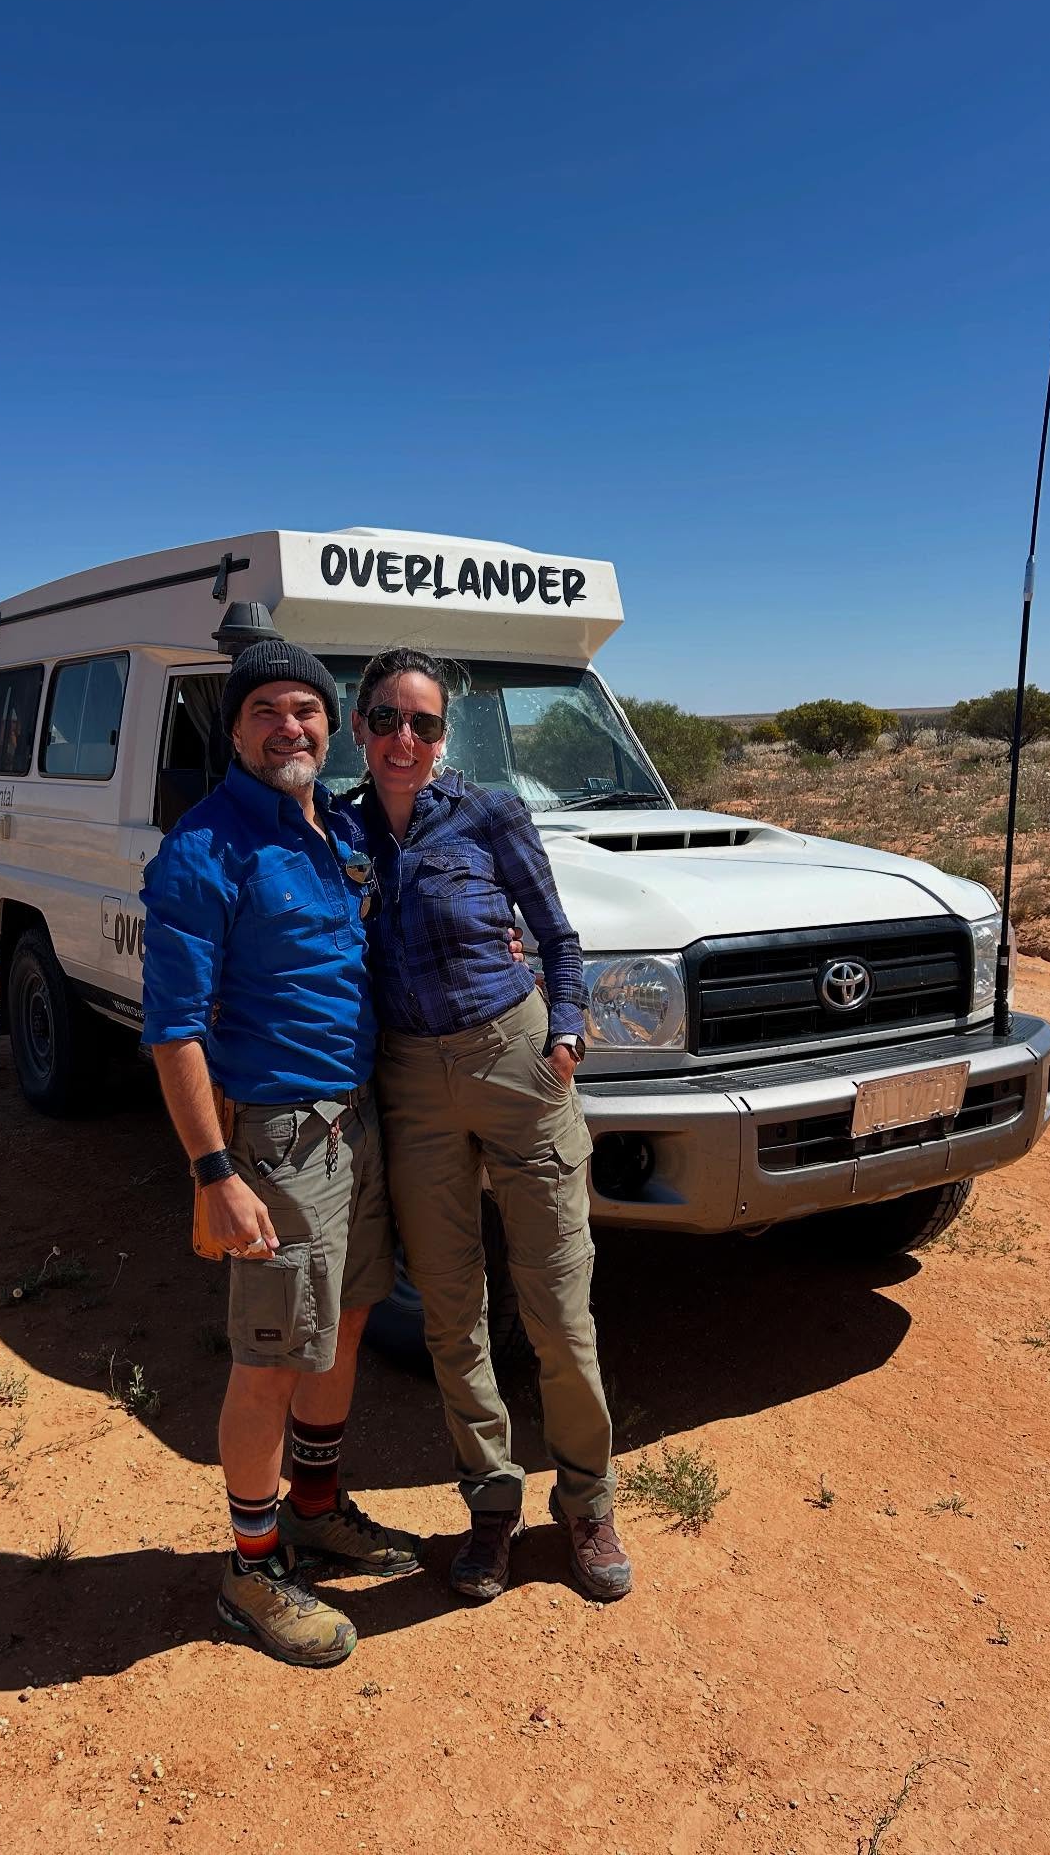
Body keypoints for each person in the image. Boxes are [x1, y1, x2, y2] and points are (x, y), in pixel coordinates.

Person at [139, 634, 420, 1670]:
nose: (289, 726)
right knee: (267, 1362)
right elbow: (173, 1031)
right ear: (235, 729)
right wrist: (215, 1173)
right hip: (275, 1140)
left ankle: (313, 1507)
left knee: (342, 1326)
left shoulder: (333, 825)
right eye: (266, 710)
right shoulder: (204, 850)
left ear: (328, 725)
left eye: (306, 709)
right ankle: (251, 1570)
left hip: (357, 1119)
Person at [341, 647, 633, 1603]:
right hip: (411, 1083)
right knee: (451, 1315)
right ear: (359, 726)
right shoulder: (336, 830)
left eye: (425, 723)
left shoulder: (489, 812)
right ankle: (492, 1507)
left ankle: (587, 1505)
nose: (405, 739)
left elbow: (557, 935)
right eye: (388, 719)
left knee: (559, 1309)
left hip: (516, 1060)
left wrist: (565, 1031)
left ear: (444, 735)